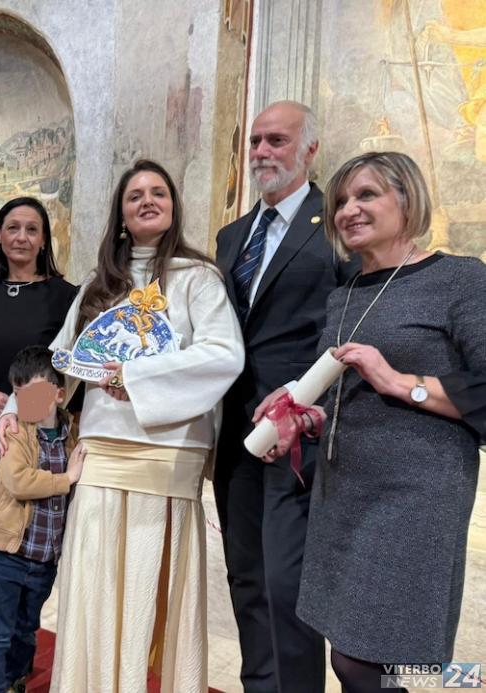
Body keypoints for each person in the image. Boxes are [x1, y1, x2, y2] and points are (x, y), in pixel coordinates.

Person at [0, 159, 244, 691]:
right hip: (103, 452)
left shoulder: (197, 278)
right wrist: (15, 412)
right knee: (96, 586)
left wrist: (135, 375)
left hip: (167, 454)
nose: (147, 201)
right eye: (135, 196)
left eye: (158, 192)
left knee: (146, 592)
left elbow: (224, 355)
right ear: (122, 214)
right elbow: (62, 365)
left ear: (174, 206)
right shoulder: (98, 286)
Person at [256, 151, 486, 692]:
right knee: (349, 655)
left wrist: (398, 381)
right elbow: (343, 399)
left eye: (366, 195)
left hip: (413, 498)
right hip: (342, 495)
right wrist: (302, 419)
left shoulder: (460, 279)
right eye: (340, 201)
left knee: (364, 662)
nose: (347, 210)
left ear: (407, 199)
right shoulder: (345, 296)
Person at [213, 100, 357, 693]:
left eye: (276, 140)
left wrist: (306, 405)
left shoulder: (337, 229)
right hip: (234, 435)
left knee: (287, 587)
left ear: (310, 150)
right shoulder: (230, 237)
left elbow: (351, 329)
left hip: (299, 437)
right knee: (245, 577)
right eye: (255, 141)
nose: (262, 152)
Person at [0, 197, 78, 688]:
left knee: (24, 535)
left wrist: (21, 412)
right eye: (13, 228)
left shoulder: (64, 296)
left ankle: (15, 649)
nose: (21, 236)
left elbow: (67, 368)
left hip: (35, 429)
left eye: (32, 229)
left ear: (44, 240)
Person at [0, 346, 86, 693]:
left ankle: (15, 679)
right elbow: (18, 481)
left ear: (58, 394)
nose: (25, 403)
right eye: (19, 394)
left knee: (26, 628)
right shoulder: (13, 431)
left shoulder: (72, 434)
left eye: (35, 393)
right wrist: (66, 479)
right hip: (7, 554)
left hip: (43, 559)